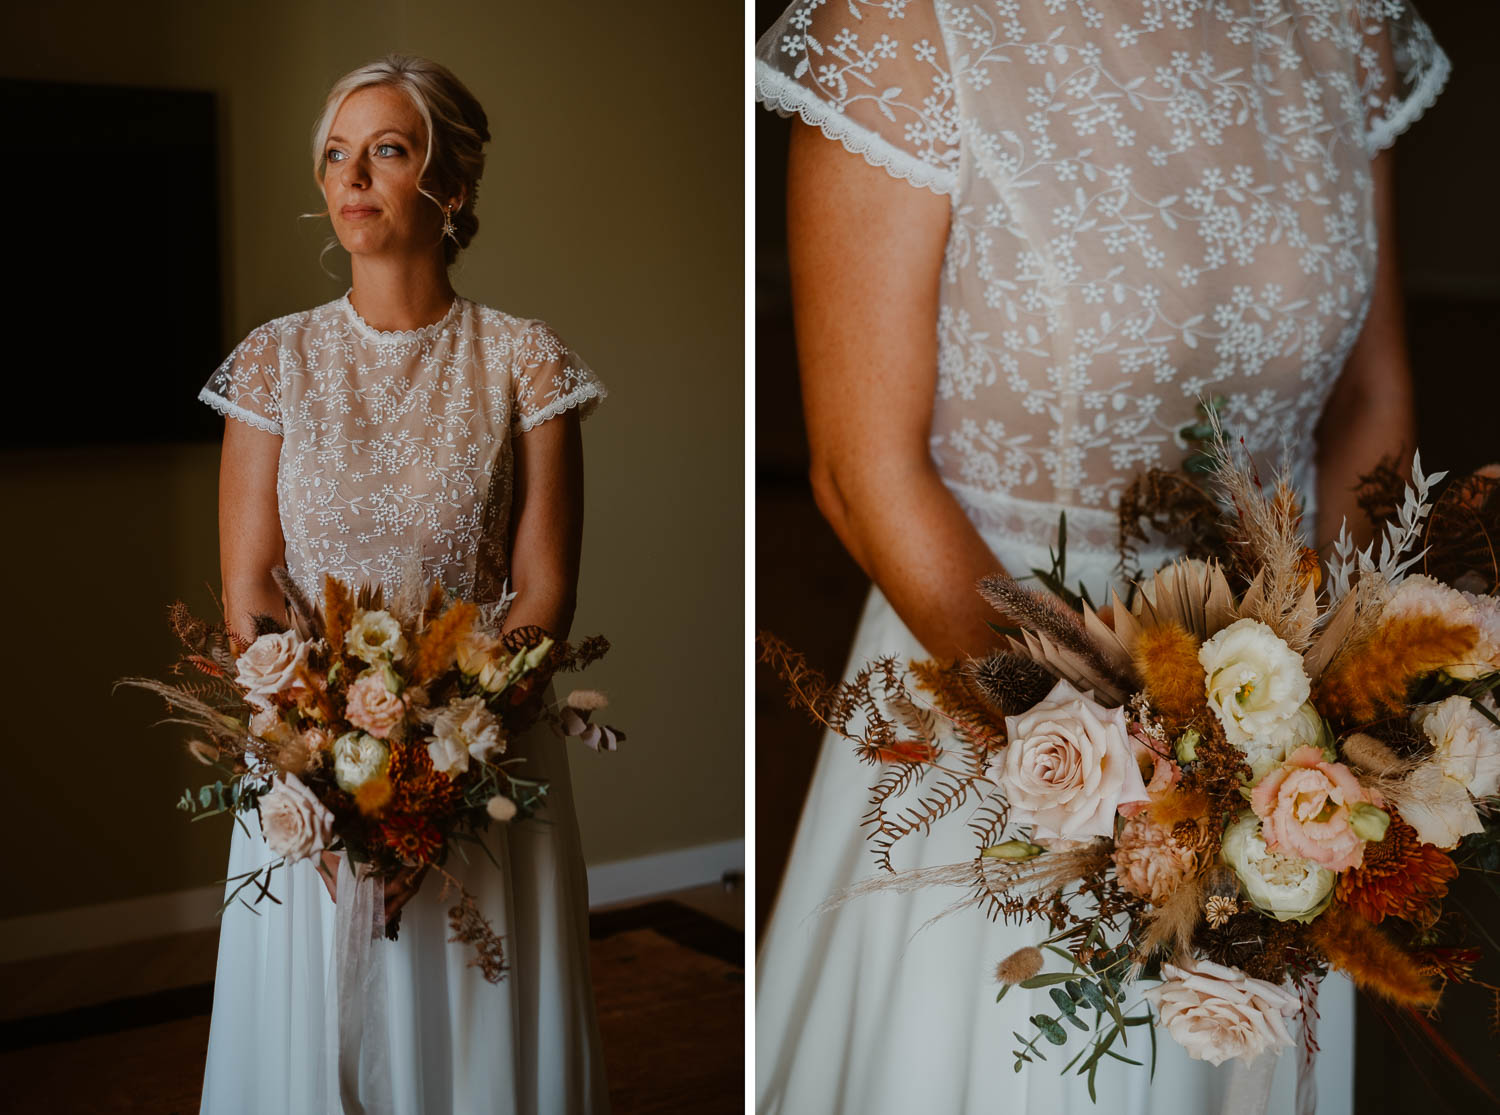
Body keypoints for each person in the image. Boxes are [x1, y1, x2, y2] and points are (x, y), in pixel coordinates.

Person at [754, 2, 1447, 1112]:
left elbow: (1373, 399)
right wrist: (1106, 761)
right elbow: (862, 468)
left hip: (1284, 708)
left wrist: (1334, 707)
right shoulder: (900, 26)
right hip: (1003, 678)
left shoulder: (1345, 23)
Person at [196, 55, 609, 1114]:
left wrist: (435, 786)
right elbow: (250, 582)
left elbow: (543, 589)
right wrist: (317, 771)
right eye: (337, 154)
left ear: (450, 185)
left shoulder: (525, 362)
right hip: (307, 766)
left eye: (386, 150)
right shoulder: (273, 362)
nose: (352, 176)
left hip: (481, 760)